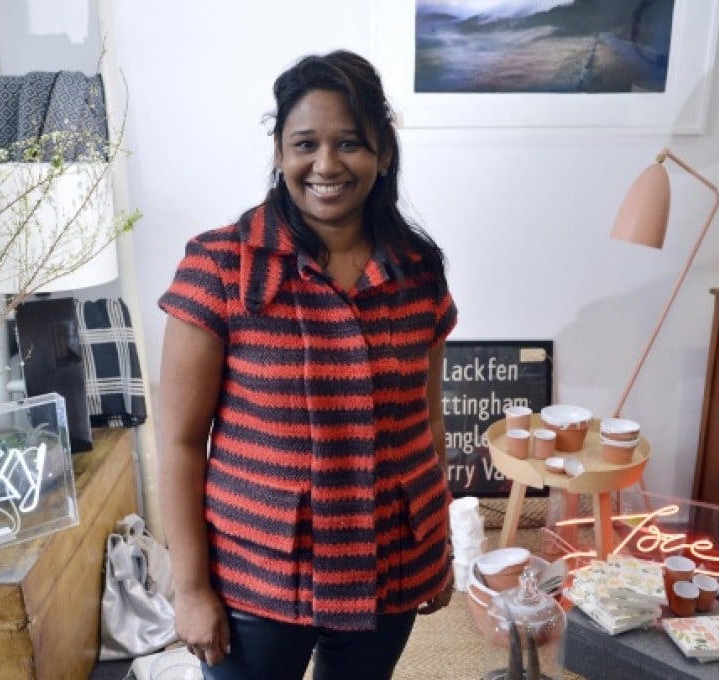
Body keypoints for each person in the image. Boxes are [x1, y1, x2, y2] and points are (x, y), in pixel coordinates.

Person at [157, 49, 457, 680]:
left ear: (383, 152)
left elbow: (426, 426)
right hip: (258, 576)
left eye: (349, 143)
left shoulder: (418, 271)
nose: (326, 164)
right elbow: (180, 442)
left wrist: (438, 544)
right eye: (305, 144)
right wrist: (190, 589)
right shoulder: (220, 267)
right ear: (278, 152)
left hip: (390, 564)